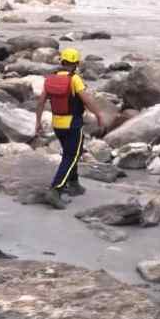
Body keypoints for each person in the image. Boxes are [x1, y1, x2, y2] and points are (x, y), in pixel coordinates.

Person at [35, 48, 107, 209]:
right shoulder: (74, 79)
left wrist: (38, 122)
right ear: (76, 64)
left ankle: (74, 183)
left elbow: (40, 102)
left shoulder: (50, 78)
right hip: (73, 123)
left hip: (57, 124)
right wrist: (100, 115)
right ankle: (55, 190)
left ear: (62, 62)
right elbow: (86, 100)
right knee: (71, 156)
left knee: (73, 151)